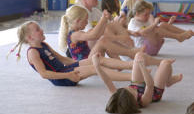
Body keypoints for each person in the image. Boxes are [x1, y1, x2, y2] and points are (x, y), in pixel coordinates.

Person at [7, 21, 137, 86]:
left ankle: (132, 65)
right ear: (30, 38)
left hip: (66, 70)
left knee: (97, 59)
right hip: (62, 78)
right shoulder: (33, 53)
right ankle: (132, 77)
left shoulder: (44, 45)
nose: (41, 30)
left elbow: (63, 59)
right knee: (95, 68)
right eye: (37, 30)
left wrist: (80, 63)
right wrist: (69, 74)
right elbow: (44, 74)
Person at [92, 51, 183, 114]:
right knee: (166, 64)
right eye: (129, 90)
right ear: (133, 98)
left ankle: (158, 63)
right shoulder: (143, 101)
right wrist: (142, 67)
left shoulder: (118, 95)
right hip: (154, 90)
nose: (128, 87)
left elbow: (107, 80)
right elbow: (150, 85)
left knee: (139, 55)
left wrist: (96, 65)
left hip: (137, 84)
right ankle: (169, 81)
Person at [128, 0, 194, 55]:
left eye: (149, 14)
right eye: (145, 14)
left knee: (162, 24)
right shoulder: (133, 23)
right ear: (137, 13)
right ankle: (179, 37)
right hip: (143, 50)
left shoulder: (147, 18)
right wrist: (154, 24)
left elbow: (160, 31)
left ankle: (186, 33)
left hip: (155, 47)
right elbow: (142, 32)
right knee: (155, 29)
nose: (147, 16)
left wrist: (169, 23)